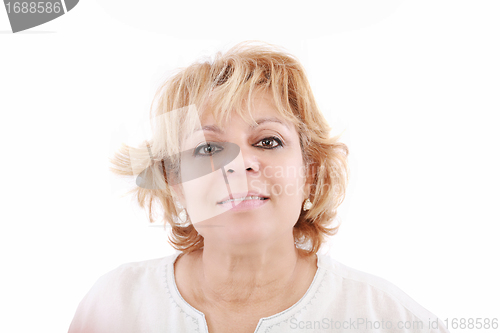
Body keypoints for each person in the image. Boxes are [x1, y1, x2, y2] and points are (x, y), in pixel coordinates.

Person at [69, 42, 450, 333]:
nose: (238, 163)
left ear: (310, 172)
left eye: (268, 141)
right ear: (175, 182)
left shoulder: (383, 317)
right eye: (208, 148)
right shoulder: (114, 307)